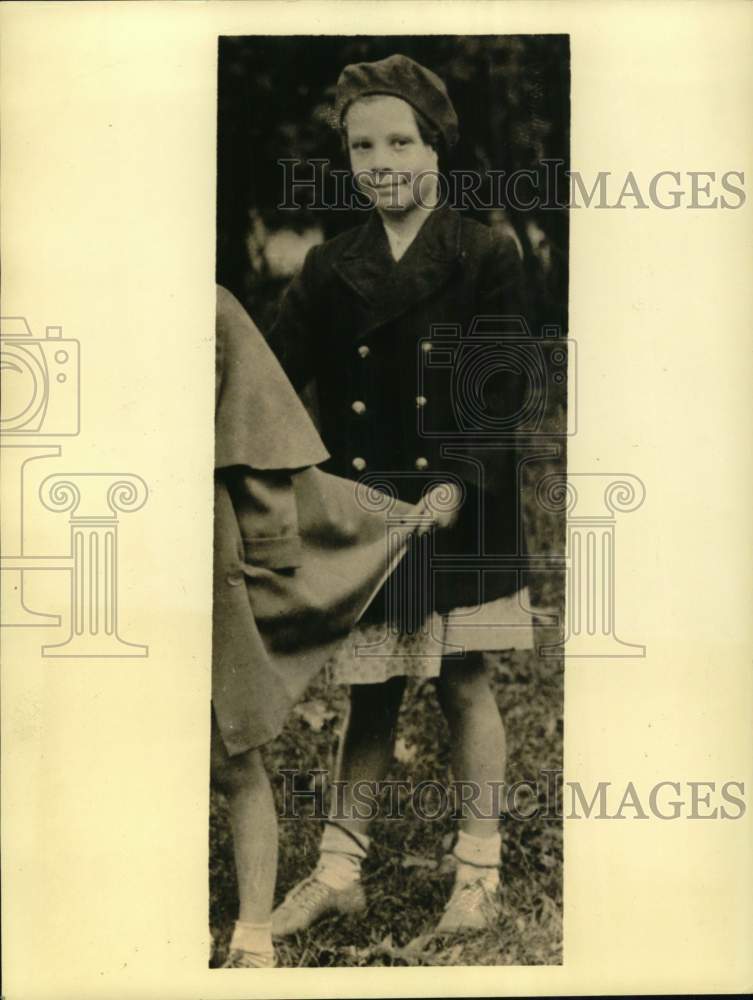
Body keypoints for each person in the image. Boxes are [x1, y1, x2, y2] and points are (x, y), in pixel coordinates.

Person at [267, 54, 536, 939]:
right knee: (371, 688)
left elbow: (499, 392)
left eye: (399, 141)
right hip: (371, 515)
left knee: (463, 678)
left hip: (458, 502)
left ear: (434, 148)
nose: (380, 161)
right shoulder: (328, 266)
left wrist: (459, 484)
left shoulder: (485, 253)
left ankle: (478, 871)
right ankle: (339, 870)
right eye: (360, 146)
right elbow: (273, 379)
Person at [211, 285, 421, 967]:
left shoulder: (208, 307)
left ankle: (252, 936)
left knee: (231, 746)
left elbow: (262, 443)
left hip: (202, 546)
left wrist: (269, 552)